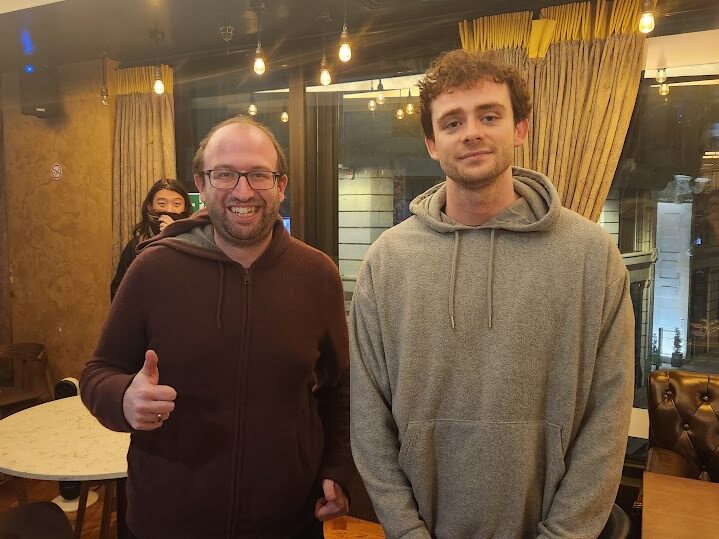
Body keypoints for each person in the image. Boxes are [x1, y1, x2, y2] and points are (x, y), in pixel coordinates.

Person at [349, 50, 634, 538]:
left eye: (489, 116)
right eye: (452, 122)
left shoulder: (591, 255)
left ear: (520, 128)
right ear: (431, 143)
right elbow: (368, 418)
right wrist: (406, 531)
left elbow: (607, 417)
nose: (471, 133)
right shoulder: (387, 261)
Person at [82, 116, 351, 538]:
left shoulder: (317, 275)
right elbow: (98, 372)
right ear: (201, 185)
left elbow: (341, 388)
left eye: (259, 174)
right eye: (224, 174)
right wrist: (124, 398)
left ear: (280, 185)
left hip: (288, 519)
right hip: (168, 519)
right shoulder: (153, 268)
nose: (243, 191)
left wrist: (338, 467)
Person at [110, 178, 193, 300]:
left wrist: (175, 236)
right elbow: (118, 290)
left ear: (185, 207)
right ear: (150, 207)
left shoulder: (194, 241)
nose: (169, 210)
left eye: (177, 204)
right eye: (162, 204)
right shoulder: (137, 245)